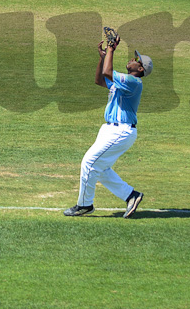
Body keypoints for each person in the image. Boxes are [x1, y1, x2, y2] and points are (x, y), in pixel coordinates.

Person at [64, 35, 152, 218]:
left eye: (136, 60)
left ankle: (84, 204)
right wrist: (103, 57)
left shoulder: (134, 82)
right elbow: (100, 80)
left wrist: (112, 49)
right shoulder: (124, 81)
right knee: (100, 169)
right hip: (110, 130)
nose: (132, 59)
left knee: (89, 163)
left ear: (141, 68)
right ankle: (131, 195)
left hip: (121, 131)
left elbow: (107, 73)